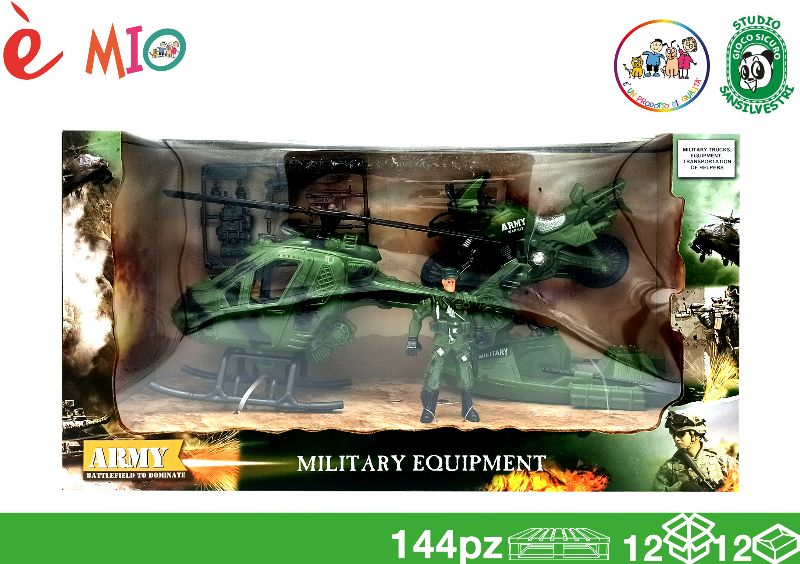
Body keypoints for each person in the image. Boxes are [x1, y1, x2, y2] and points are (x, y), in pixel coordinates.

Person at [406, 267, 480, 424]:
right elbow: (417, 316)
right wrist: (412, 340)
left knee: (466, 375)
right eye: (448, 281)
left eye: (453, 281)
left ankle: (468, 408)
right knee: (434, 374)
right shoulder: (434, 300)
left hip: (461, 343)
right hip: (441, 343)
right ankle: (429, 409)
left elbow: (478, 313)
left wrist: (479, 331)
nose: (451, 284)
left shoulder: (465, 299)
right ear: (442, 282)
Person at [653, 412, 738, 491]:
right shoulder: (669, 467)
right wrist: (680, 487)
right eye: (673, 435)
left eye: (681, 434)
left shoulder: (721, 460)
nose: (676, 439)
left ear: (695, 435)